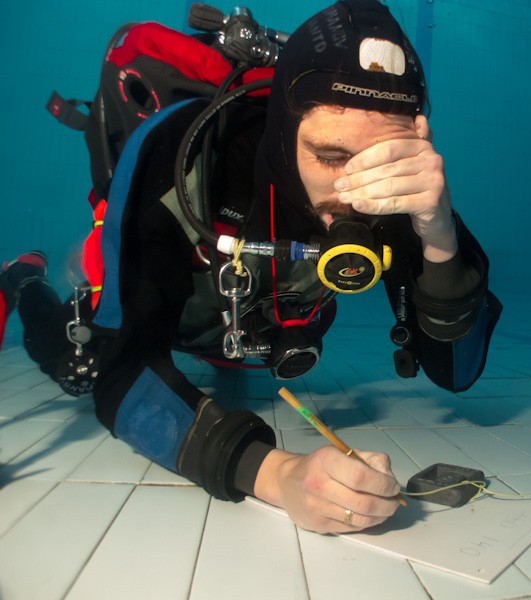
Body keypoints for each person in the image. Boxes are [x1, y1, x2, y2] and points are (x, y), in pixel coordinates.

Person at [0, 0, 501, 533]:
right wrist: (278, 474)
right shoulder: (179, 149)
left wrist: (440, 234)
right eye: (330, 158)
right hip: (178, 316)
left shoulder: (396, 189)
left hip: (264, 335)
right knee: (78, 365)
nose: (354, 193)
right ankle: (24, 278)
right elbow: (123, 370)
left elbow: (456, 373)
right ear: (283, 133)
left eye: (383, 161)